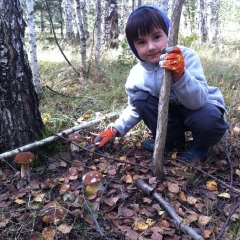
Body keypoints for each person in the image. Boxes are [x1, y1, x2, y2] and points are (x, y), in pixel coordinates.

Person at [94, 5, 228, 162]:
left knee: (209, 118)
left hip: (196, 109)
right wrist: (115, 129)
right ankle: (171, 142)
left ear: (169, 34)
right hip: (169, 115)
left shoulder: (187, 57)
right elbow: (134, 108)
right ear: (134, 48)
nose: (151, 47)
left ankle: (199, 148)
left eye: (157, 37)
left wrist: (181, 74)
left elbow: (198, 102)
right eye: (141, 42)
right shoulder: (137, 74)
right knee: (140, 99)